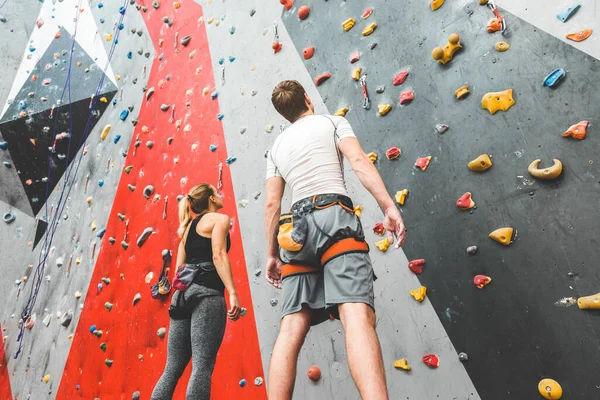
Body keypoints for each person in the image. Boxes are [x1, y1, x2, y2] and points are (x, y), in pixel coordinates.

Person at [264, 80, 406, 400]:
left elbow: (273, 204)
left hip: (294, 230)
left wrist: (272, 253)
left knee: (290, 327)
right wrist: (387, 206)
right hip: (334, 217)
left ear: (285, 114)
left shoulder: (276, 148)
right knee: (355, 315)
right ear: (307, 100)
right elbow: (358, 162)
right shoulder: (332, 122)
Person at [152, 184, 241, 400]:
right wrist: (232, 292)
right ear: (211, 198)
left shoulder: (186, 229)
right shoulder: (219, 220)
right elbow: (218, 254)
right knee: (201, 368)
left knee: (171, 369)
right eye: (217, 193)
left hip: (182, 298)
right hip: (207, 294)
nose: (220, 196)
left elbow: (179, 271)